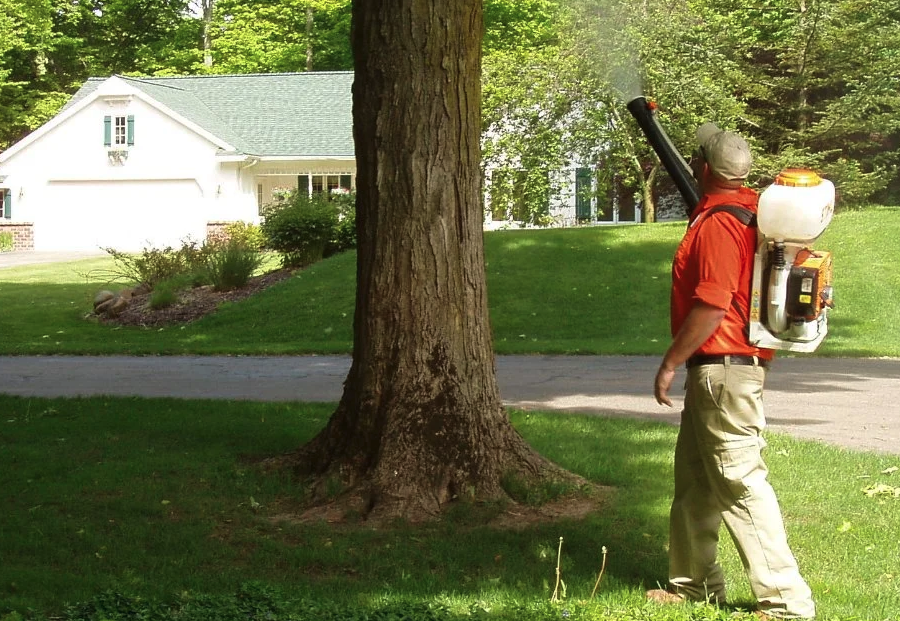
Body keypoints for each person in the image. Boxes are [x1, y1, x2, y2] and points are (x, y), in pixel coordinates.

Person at [646, 123, 816, 619]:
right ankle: (694, 584)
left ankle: (785, 601)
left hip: (723, 369)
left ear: (701, 168)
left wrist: (670, 361)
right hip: (723, 370)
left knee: (739, 482)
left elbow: (713, 304)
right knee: (696, 480)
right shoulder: (748, 212)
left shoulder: (721, 224)